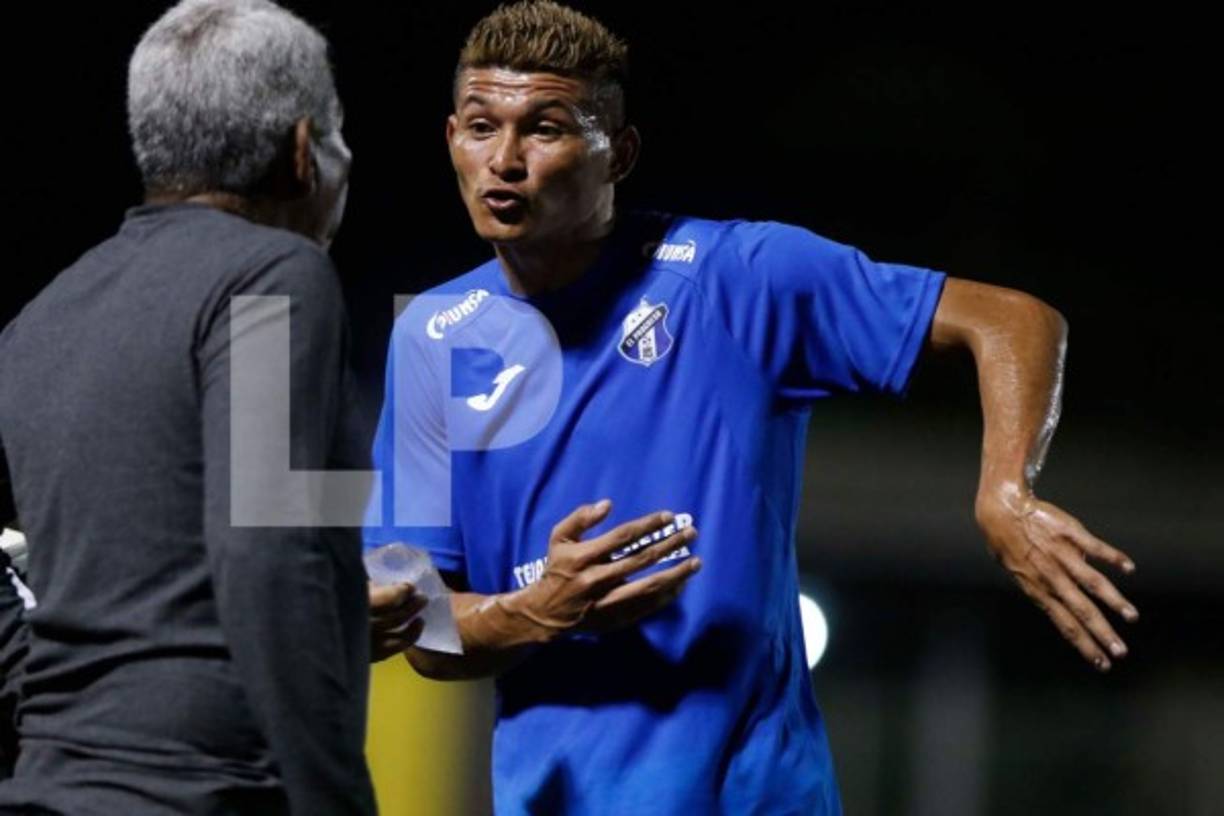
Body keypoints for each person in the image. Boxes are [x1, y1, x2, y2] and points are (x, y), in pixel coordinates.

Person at [365, 2, 1140, 813]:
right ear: (451, 138)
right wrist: (537, 613)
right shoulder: (431, 337)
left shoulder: (738, 276)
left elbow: (1011, 320)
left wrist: (1005, 490)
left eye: (546, 128)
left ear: (619, 153)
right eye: (481, 127)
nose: (505, 160)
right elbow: (423, 633)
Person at [0, 1, 392, 812]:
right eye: (339, 131)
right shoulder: (275, 276)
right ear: (302, 151)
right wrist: (335, 797)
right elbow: (263, 551)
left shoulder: (40, 318)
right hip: (210, 788)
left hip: (53, 784)